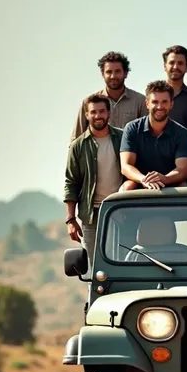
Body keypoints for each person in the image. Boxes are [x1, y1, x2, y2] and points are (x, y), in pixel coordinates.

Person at [64, 95, 123, 268]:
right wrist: (70, 219)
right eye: (93, 112)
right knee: (94, 267)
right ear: (87, 115)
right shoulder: (78, 145)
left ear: (109, 113)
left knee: (123, 262)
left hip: (122, 210)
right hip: (92, 214)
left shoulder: (122, 138)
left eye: (102, 111)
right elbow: (71, 182)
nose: (98, 116)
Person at [119, 80, 187, 190]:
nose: (159, 106)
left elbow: (183, 169)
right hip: (140, 181)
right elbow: (126, 166)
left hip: (170, 182)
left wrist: (164, 179)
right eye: (155, 102)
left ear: (171, 104)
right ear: (147, 103)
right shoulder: (132, 128)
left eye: (164, 102)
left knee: (185, 187)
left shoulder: (181, 132)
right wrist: (143, 179)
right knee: (127, 187)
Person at [71, 51, 146, 141]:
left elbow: (147, 136)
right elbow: (76, 139)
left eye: (117, 71)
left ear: (125, 73)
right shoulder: (89, 103)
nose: (113, 76)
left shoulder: (140, 101)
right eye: (109, 72)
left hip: (130, 154)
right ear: (103, 74)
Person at [163, 45, 187, 131]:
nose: (175, 67)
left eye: (180, 63)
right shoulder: (153, 97)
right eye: (172, 63)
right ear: (165, 66)